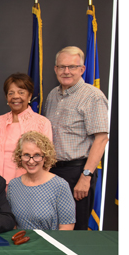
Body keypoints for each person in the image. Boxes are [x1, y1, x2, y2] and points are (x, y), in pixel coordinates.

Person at [44, 46, 109, 230]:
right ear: (55, 69)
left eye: (72, 67)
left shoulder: (93, 96)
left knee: (75, 230)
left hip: (77, 172)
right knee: (52, 226)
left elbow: (101, 139)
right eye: (62, 66)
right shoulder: (52, 95)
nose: (66, 71)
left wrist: (86, 176)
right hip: (52, 172)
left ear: (82, 69)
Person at [0, 73, 53, 184]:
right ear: (7, 97)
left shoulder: (42, 123)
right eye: (11, 93)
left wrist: (36, 183)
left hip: (28, 185)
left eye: (21, 92)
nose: (15, 96)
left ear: (29, 96)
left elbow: (47, 159)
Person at [7, 131, 75, 230]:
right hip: (21, 244)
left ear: (45, 157)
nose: (31, 161)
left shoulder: (60, 186)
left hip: (48, 244)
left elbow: (67, 228)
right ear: (19, 156)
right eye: (26, 155)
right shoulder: (13, 185)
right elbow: (12, 224)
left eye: (37, 155)